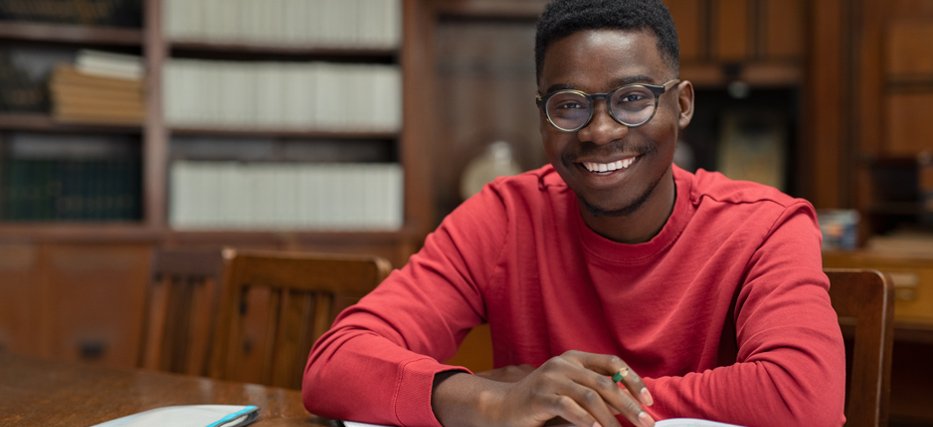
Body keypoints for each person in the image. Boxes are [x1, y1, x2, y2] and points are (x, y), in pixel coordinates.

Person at [302, 0, 846, 426]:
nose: (600, 131)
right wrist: (492, 403)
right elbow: (336, 365)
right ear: (541, 117)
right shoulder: (504, 216)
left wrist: (567, 403)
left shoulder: (765, 226)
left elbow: (804, 396)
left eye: (632, 98)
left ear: (681, 105)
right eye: (569, 105)